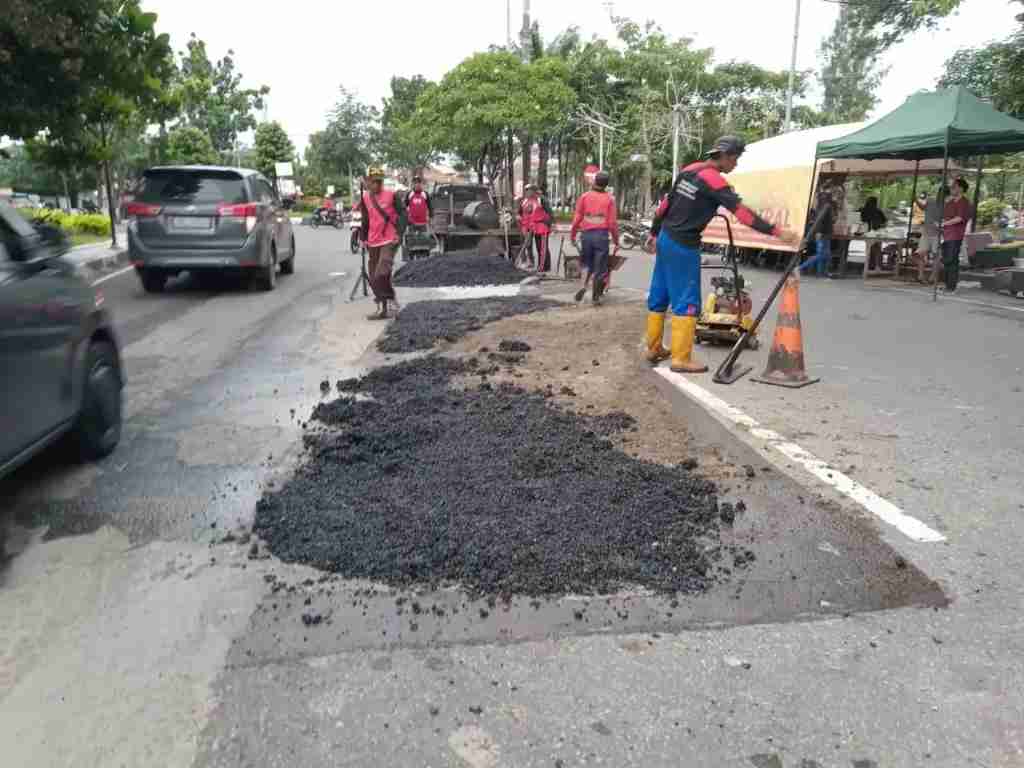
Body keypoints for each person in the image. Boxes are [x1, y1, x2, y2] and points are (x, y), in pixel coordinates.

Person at [644, 135, 797, 373]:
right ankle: (681, 359)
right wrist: (777, 232)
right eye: (735, 158)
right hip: (684, 244)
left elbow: (665, 204)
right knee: (687, 299)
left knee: (660, 294)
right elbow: (743, 215)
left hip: (665, 237)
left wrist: (654, 234)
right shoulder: (715, 182)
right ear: (725, 156)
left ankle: (653, 348)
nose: (736, 164)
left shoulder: (689, 170)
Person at [359, 167, 406, 319]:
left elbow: (404, 214)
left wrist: (399, 233)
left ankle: (391, 299)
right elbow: (365, 219)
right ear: (368, 181)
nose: (377, 185)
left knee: (382, 271)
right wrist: (362, 238)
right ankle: (383, 308)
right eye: (374, 182)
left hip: (389, 238)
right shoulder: (365, 198)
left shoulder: (392, 195)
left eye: (380, 181)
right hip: (373, 241)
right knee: (373, 277)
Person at [570, 170, 620, 305]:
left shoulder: (585, 197)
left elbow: (577, 219)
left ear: (595, 181)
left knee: (586, 263)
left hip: (586, 236)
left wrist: (573, 235)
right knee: (600, 267)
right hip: (601, 236)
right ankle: (595, 297)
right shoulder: (610, 199)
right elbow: (612, 223)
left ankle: (583, 286)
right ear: (607, 184)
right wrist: (616, 240)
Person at [940, 177, 973, 293]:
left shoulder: (964, 202)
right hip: (945, 234)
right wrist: (940, 223)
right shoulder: (949, 202)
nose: (951, 188)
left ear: (960, 188)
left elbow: (959, 218)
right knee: (946, 260)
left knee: (952, 260)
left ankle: (951, 286)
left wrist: (944, 223)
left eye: (954, 186)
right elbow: (944, 217)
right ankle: (946, 284)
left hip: (956, 235)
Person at [801, 186, 834, 278]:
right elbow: (819, 220)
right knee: (821, 255)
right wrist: (818, 232)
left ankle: (822, 273)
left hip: (825, 233)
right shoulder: (826, 206)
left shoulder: (823, 206)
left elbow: (821, 220)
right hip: (823, 233)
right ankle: (800, 268)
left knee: (826, 255)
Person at [913, 189, 943, 283]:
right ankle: (921, 276)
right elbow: (922, 207)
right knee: (920, 254)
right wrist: (915, 199)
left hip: (937, 234)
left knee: (936, 256)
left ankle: (933, 277)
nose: (939, 195)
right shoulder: (930, 201)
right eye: (939, 193)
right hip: (926, 233)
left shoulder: (947, 205)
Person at [527, 185, 554, 272]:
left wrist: (548, 224)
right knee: (539, 247)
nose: (527, 192)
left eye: (529, 191)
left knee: (543, 248)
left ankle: (542, 267)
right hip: (536, 227)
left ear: (533, 191)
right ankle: (544, 266)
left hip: (542, 227)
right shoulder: (532, 200)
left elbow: (550, 212)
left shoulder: (541, 199)